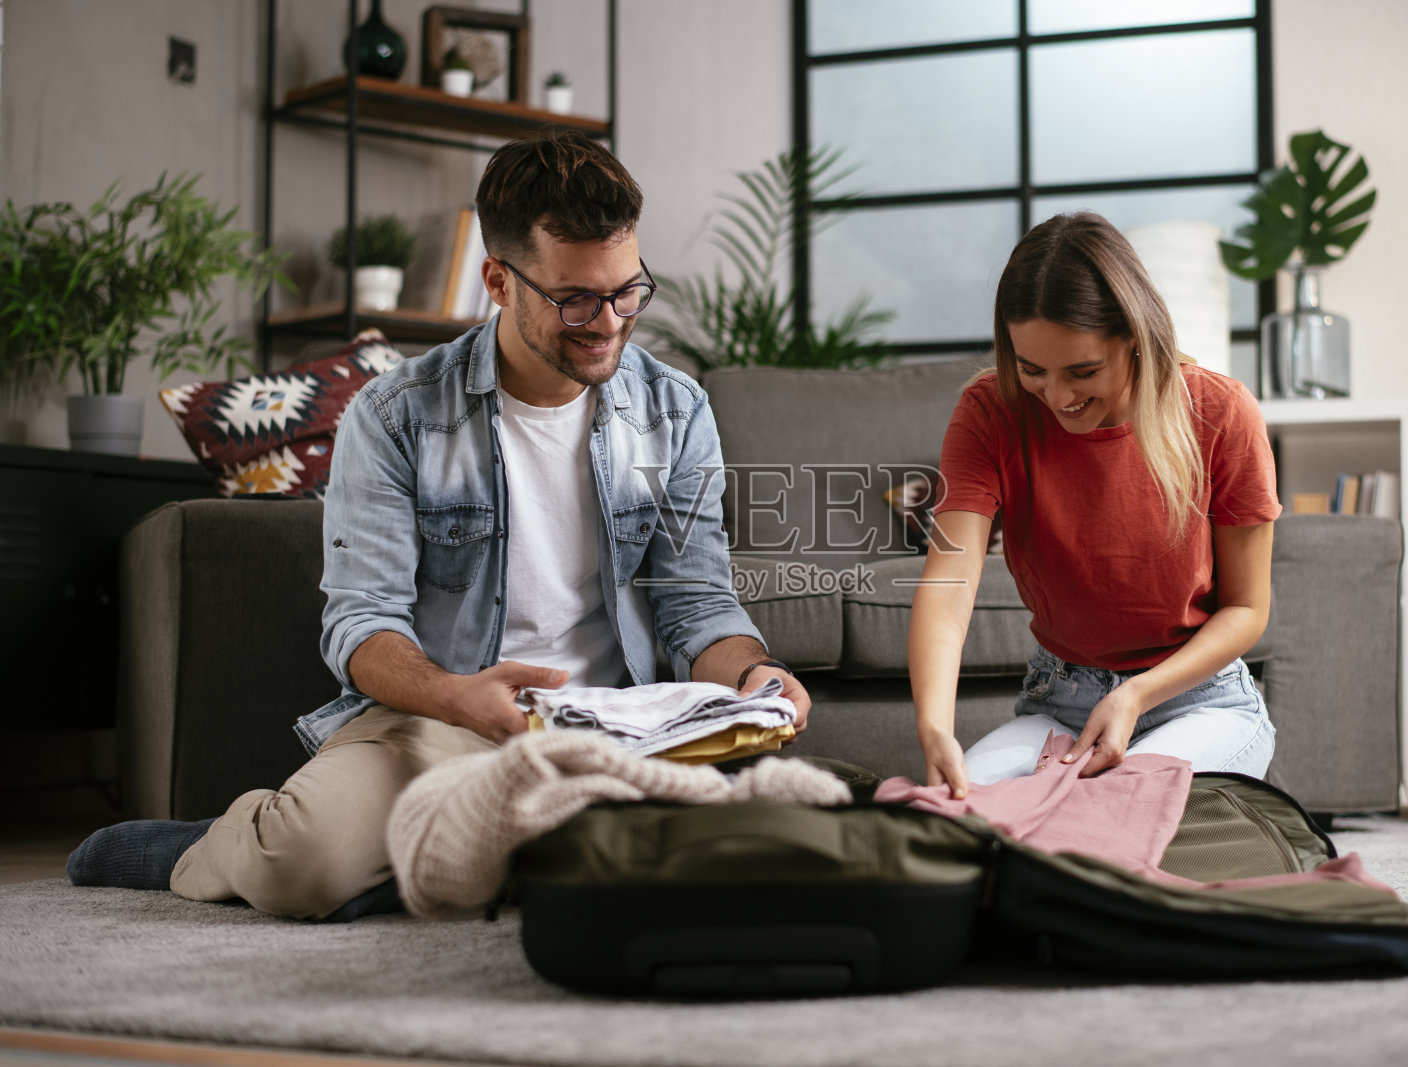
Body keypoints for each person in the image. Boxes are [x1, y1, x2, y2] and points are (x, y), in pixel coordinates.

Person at [68, 129, 809, 920]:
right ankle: (206, 843)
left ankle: (447, 858)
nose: (609, 322)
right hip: (448, 719)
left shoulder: (675, 411)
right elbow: (361, 625)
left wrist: (751, 679)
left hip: (620, 729)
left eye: (628, 291)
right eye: (575, 299)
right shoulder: (395, 415)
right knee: (303, 865)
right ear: (497, 280)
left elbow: (696, 603)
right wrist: (458, 698)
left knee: (783, 839)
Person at [911, 211, 1279, 800]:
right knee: (955, 811)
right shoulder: (990, 411)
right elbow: (950, 582)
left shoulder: (1222, 412)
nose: (1057, 397)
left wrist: (1134, 695)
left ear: (1133, 336)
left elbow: (1247, 610)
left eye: (1082, 371)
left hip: (1200, 700)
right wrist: (934, 726)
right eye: (1033, 369)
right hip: (1061, 701)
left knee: (1116, 805)